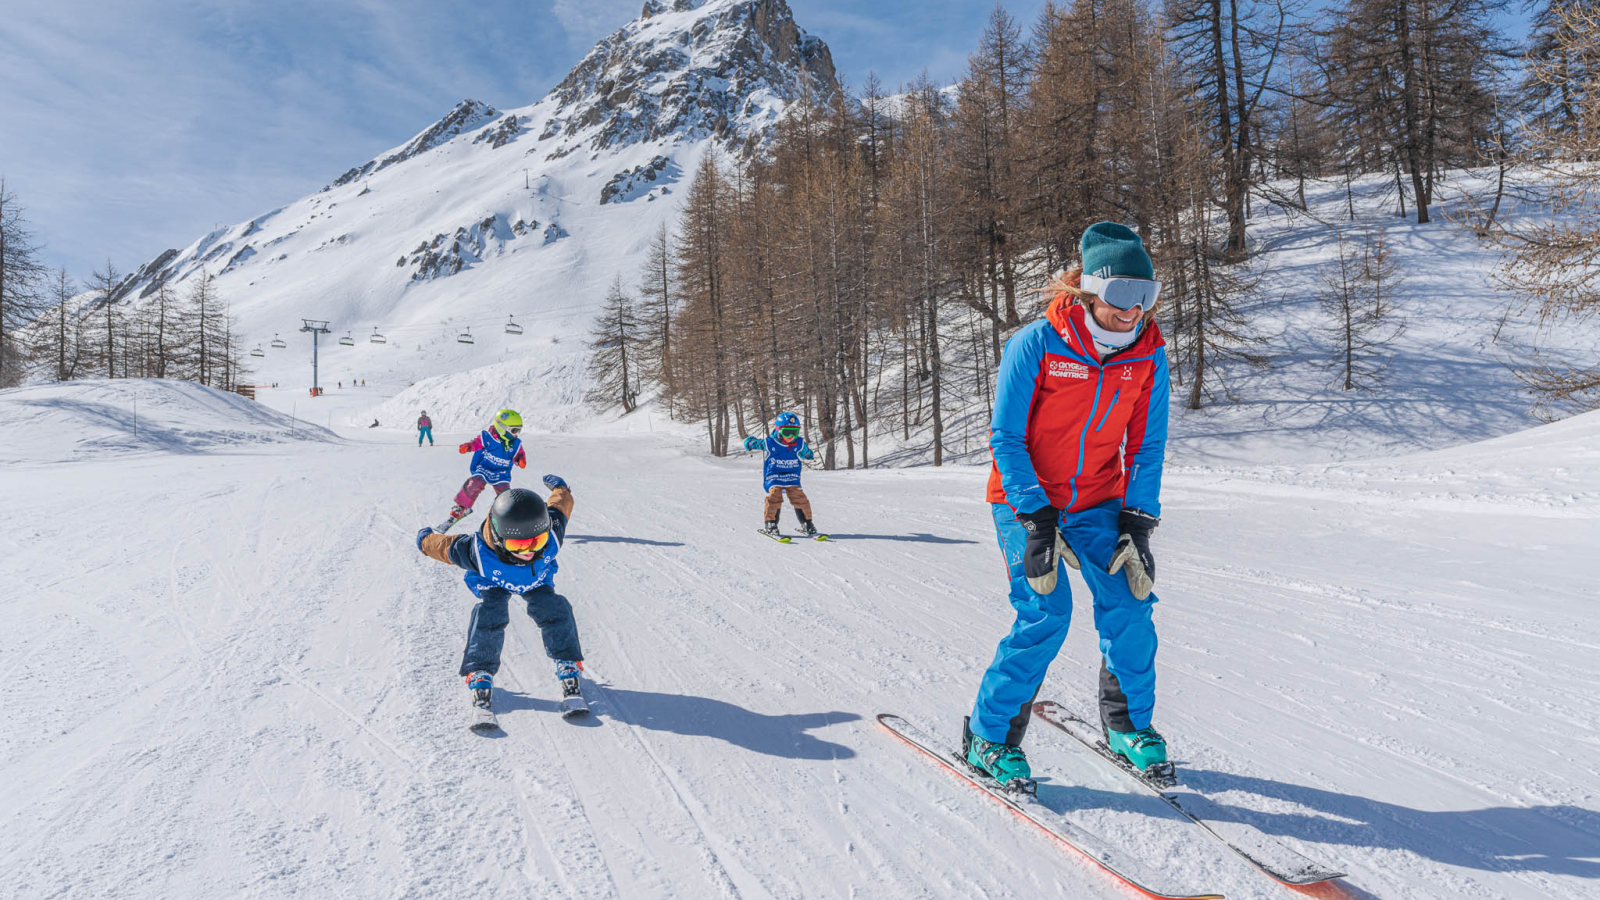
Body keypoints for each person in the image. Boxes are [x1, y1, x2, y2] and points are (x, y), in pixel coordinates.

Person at [965, 221, 1171, 789]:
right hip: (1026, 499)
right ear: (1088, 290)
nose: (1133, 311)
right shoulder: (1038, 343)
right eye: (1121, 296)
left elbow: (1147, 447)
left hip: (1100, 501)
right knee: (1046, 613)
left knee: (1131, 603)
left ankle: (1128, 726)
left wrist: (1139, 520)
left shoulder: (1149, 358)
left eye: (1146, 296)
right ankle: (989, 735)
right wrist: (1035, 517)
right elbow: (1006, 438)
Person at [415, 476, 586, 725]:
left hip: (537, 581)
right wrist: (424, 540)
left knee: (555, 610)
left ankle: (567, 663)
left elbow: (561, 506)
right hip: (494, 582)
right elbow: (443, 546)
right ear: (498, 537)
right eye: (518, 544)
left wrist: (561, 489)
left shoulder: (552, 534)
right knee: (489, 615)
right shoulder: (477, 552)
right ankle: (480, 671)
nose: (528, 551)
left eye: (536, 541)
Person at [436, 409, 527, 532]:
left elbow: (518, 454)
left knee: (505, 496)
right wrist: (469, 446)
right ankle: (461, 507)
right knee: (473, 484)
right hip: (485, 468)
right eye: (514, 430)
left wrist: (520, 459)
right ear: (502, 428)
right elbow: (477, 443)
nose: (516, 434)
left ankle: (508, 516)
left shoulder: (515, 443)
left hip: (501, 473)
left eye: (518, 430)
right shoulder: (488, 438)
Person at [741, 411, 821, 538]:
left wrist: (808, 454)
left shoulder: (798, 443)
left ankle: (807, 523)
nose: (791, 436)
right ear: (778, 430)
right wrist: (750, 443)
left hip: (792, 476)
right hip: (774, 475)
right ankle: (771, 524)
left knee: (800, 498)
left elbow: (805, 452)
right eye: (787, 432)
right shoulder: (770, 443)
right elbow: (757, 443)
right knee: (775, 497)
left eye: (794, 433)